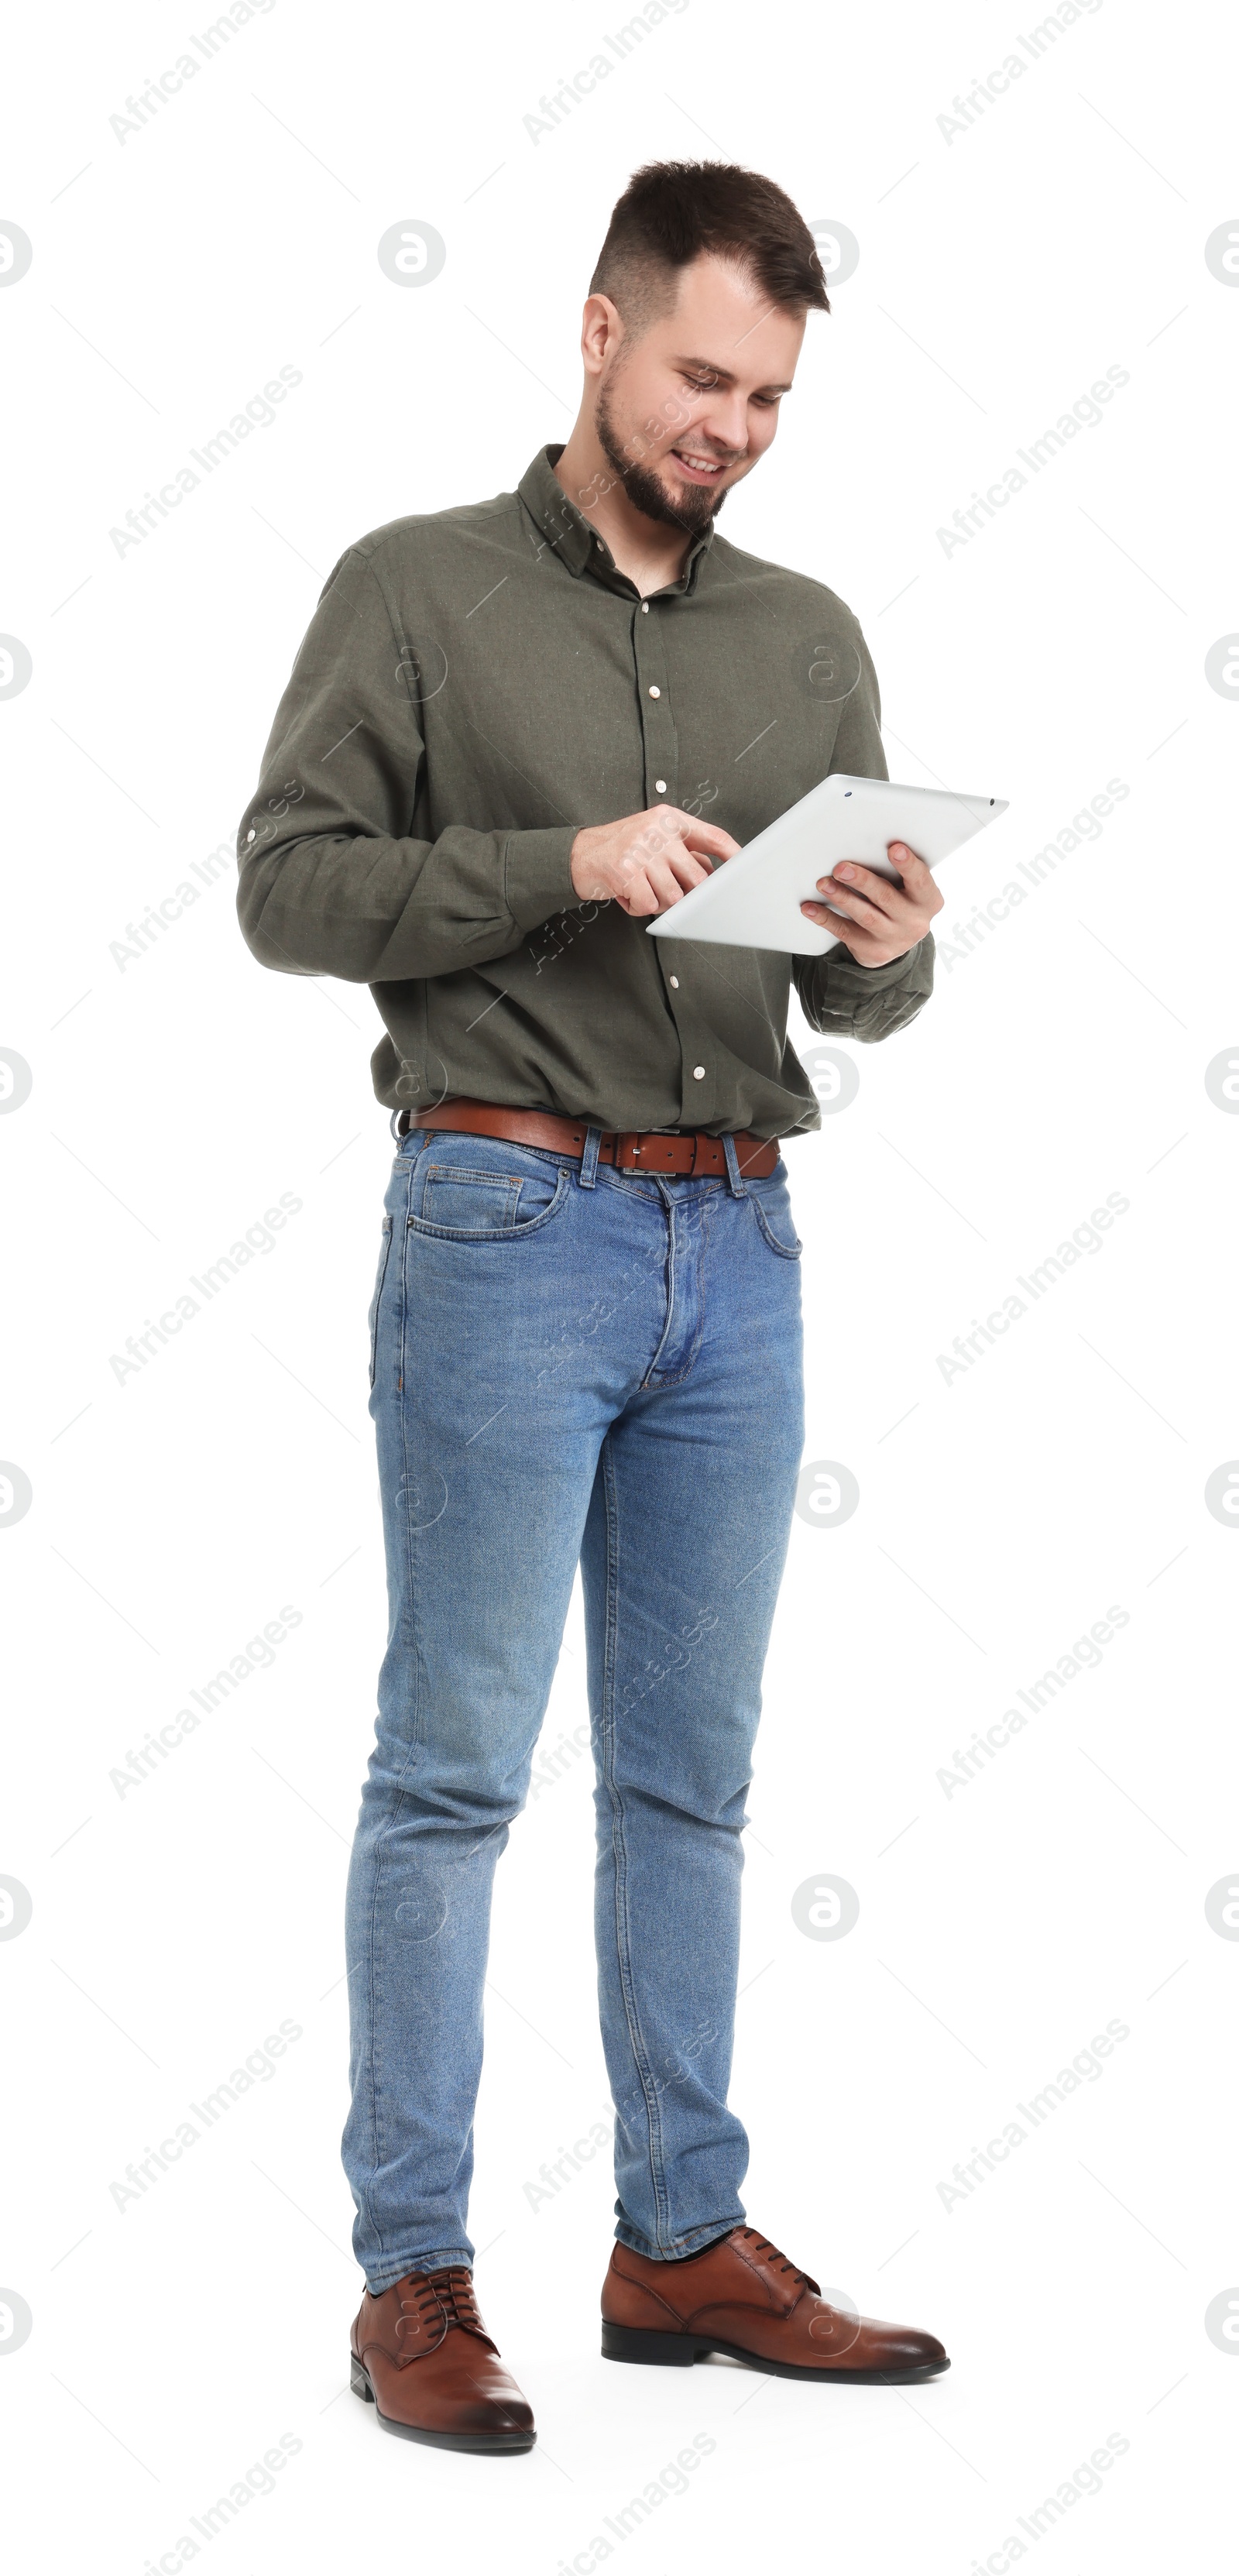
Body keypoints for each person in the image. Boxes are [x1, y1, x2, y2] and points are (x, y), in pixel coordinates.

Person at [237, 159, 948, 2456]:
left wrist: (886, 933)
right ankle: (411, 2283)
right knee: (450, 1774)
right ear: (596, 332)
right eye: (700, 375)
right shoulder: (417, 589)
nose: (732, 426)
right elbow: (286, 890)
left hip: (735, 1244)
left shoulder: (808, 633)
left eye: (768, 396)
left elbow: (875, 1003)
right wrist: (555, 866)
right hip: (503, 1228)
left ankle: (680, 2241)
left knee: (692, 1786)